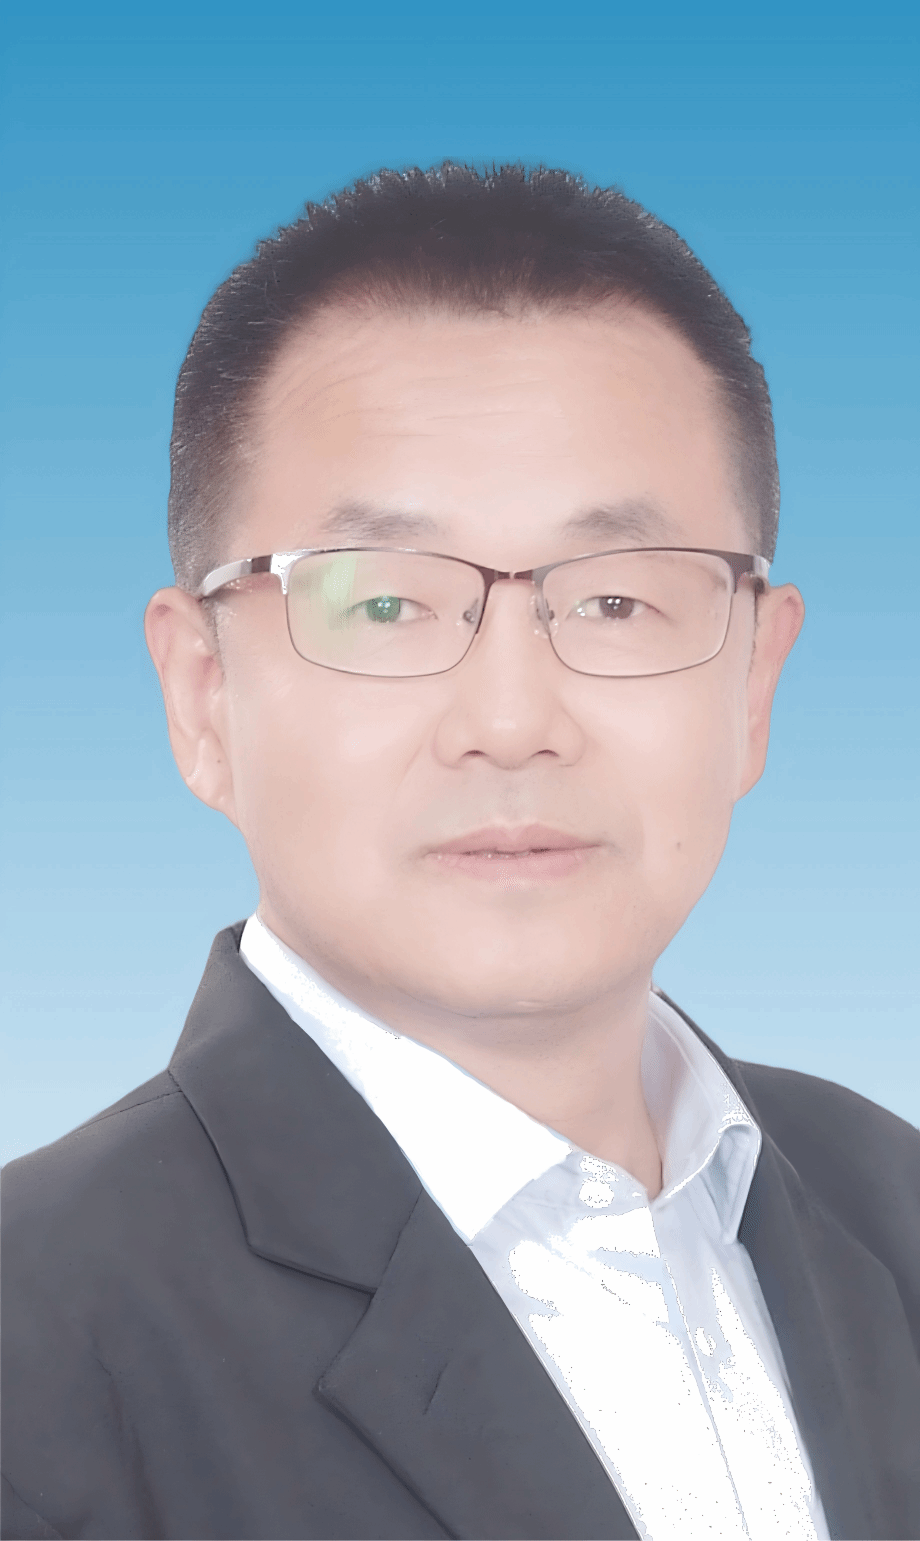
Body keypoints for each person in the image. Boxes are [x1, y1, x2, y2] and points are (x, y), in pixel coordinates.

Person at [2, 163, 918, 1541]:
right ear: (202, 697)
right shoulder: (36, 1348)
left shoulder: (888, 1199)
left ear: (754, 685)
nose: (510, 723)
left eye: (615, 601)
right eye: (382, 605)